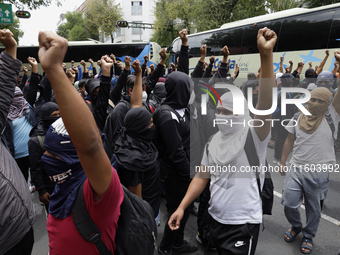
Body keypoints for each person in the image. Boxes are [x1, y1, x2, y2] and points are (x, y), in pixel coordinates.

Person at [167, 27, 277, 255]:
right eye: (220, 111)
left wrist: (265, 56)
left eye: (229, 112)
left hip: (243, 224)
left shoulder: (253, 135)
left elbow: (266, 104)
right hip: (214, 219)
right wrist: (181, 207)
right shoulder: (214, 142)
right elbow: (201, 176)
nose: (222, 116)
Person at [37, 31, 123, 254]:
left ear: (75, 158)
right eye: (47, 152)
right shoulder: (63, 187)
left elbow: (92, 148)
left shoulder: (99, 193)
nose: (46, 158)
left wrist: (54, 70)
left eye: (54, 154)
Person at [280, 50, 340, 255]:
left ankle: (308, 236)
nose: (315, 104)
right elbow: (289, 140)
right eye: (313, 100)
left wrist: (339, 66)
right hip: (296, 167)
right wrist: (282, 161)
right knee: (288, 202)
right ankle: (296, 225)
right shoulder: (298, 115)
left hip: (318, 171)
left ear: (328, 104)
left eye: (321, 102)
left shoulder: (332, 115)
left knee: (315, 209)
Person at [0, 28, 35, 255]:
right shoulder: (5, 121)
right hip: (17, 156)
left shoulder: (28, 110)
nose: (18, 98)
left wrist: (11, 49)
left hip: (20, 229)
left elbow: (5, 88)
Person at [114, 59, 161, 224]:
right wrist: (146, 222)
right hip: (146, 214)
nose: (152, 125)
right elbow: (137, 201)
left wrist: (139, 73)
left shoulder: (132, 136)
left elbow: (135, 103)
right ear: (141, 127)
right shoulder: (133, 159)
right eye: (149, 123)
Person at [28, 102, 60, 213]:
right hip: (50, 186)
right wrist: (41, 191)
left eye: (59, 115)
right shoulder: (36, 141)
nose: (58, 118)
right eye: (54, 115)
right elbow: (35, 168)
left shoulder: (64, 131)